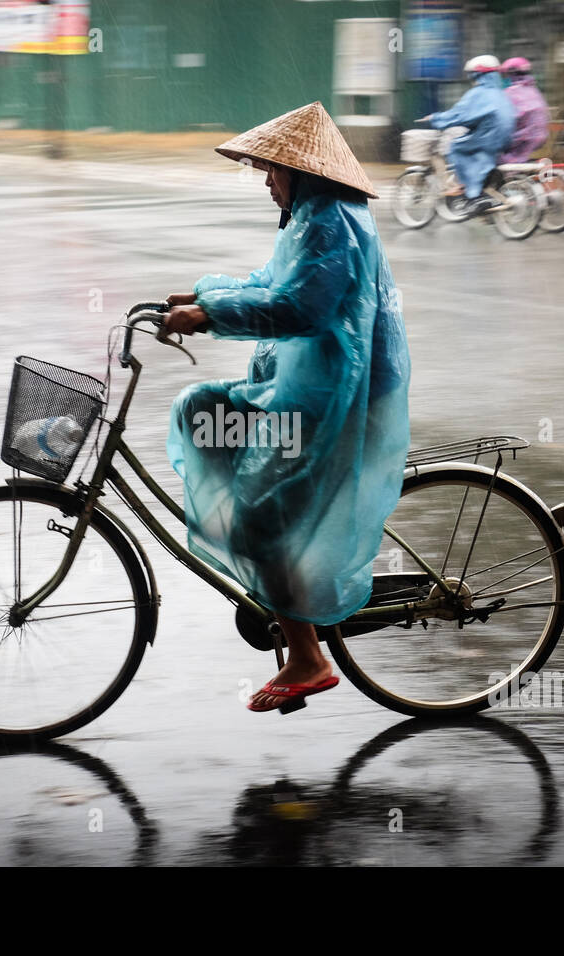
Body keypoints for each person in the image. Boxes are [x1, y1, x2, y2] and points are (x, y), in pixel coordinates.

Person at [161, 101, 412, 714]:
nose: (267, 180)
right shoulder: (311, 217)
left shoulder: (334, 224)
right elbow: (270, 283)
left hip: (335, 395)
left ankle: (308, 655)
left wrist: (210, 315)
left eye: (272, 170)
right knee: (203, 410)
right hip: (305, 385)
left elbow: (299, 308)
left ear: (303, 172)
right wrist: (205, 295)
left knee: (256, 515)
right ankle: (280, 571)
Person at [423, 54, 515, 217]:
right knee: (474, 149)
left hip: (488, 138)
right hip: (503, 138)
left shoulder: (479, 94)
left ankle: (473, 195)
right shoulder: (501, 93)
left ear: (478, 75)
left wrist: (436, 118)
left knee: (457, 147)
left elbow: (459, 114)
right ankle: (480, 188)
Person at [498, 57, 550, 165]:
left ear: (511, 74)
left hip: (522, 140)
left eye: (505, 75)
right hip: (539, 138)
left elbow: (503, 119)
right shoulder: (533, 90)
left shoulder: (511, 93)